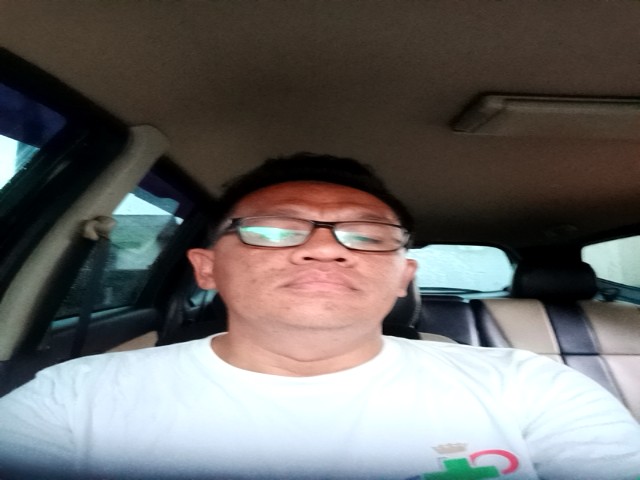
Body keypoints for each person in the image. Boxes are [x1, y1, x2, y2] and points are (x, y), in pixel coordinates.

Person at [0, 153, 639, 480]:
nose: (325, 247)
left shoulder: (530, 387)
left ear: (403, 277)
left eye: (367, 235)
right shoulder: (72, 399)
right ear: (207, 268)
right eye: (275, 230)